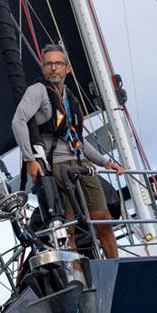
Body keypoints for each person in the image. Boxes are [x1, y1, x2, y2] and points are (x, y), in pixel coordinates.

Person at [12, 44, 124, 258]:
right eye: (48, 64)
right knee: (68, 226)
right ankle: (76, 272)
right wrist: (30, 159)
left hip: (82, 163)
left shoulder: (69, 97)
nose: (53, 68)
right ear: (43, 68)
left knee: (103, 218)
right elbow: (18, 122)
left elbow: (77, 137)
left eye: (58, 64)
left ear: (67, 69)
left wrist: (104, 162)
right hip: (57, 166)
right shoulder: (38, 92)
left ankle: (116, 267)